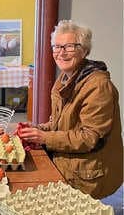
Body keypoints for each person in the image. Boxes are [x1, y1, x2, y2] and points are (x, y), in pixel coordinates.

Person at [19, 20, 123, 199]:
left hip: (90, 172)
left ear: (84, 50)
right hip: (72, 161)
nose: (61, 53)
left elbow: (89, 138)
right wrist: (36, 129)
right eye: (57, 47)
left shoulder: (97, 86)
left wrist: (44, 137)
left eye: (69, 47)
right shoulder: (65, 80)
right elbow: (58, 124)